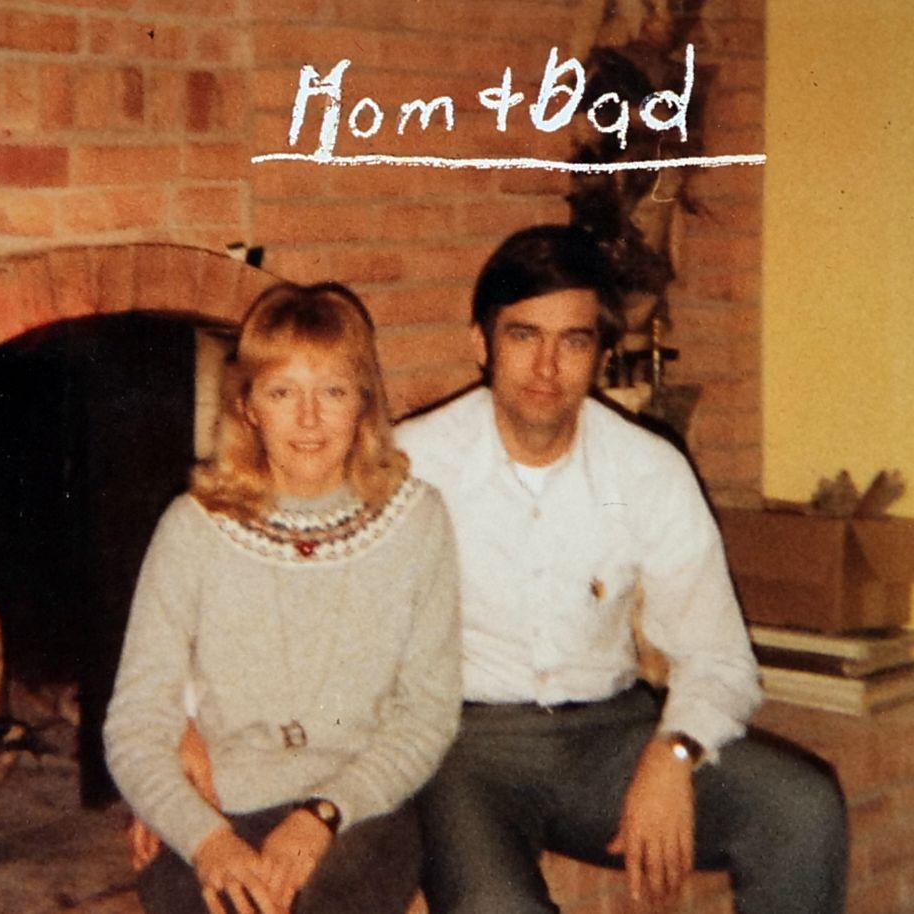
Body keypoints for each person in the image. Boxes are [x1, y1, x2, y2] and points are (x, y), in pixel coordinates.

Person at [395, 224, 848, 914]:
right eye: (524, 335)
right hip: (466, 748)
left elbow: (719, 657)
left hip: (607, 736)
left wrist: (675, 751)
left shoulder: (648, 470)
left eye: (573, 341)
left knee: (801, 809)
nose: (546, 367)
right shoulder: (413, 463)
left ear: (602, 357)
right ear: (481, 343)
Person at [103, 281, 461, 914]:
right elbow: (135, 725)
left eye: (333, 391)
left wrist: (323, 814)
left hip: (359, 808)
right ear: (248, 406)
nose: (309, 418)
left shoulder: (417, 521)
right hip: (222, 808)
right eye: (282, 392)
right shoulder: (192, 528)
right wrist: (206, 839)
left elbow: (427, 715)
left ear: (364, 402)